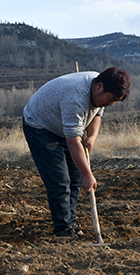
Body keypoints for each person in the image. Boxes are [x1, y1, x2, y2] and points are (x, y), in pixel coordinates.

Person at [23, 67, 131, 238]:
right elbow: (73, 141)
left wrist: (92, 137)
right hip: (40, 126)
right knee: (59, 179)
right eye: (111, 99)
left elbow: (97, 114)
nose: (110, 104)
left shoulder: (99, 91)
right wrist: (88, 175)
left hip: (62, 125)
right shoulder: (75, 98)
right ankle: (63, 228)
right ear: (99, 87)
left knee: (76, 176)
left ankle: (70, 221)